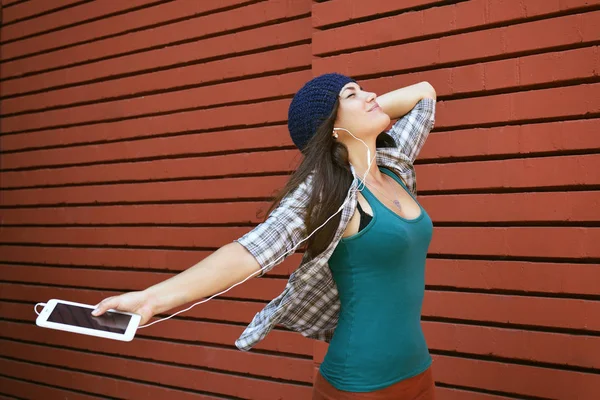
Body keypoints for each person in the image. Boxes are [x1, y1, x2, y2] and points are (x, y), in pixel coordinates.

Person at [92, 73, 437, 399]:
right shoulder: (325, 193)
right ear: (330, 126)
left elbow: (424, 93)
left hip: (419, 372)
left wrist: (362, 111)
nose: (371, 95)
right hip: (361, 385)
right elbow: (249, 251)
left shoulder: (395, 165)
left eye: (363, 89)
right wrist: (152, 299)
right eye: (352, 94)